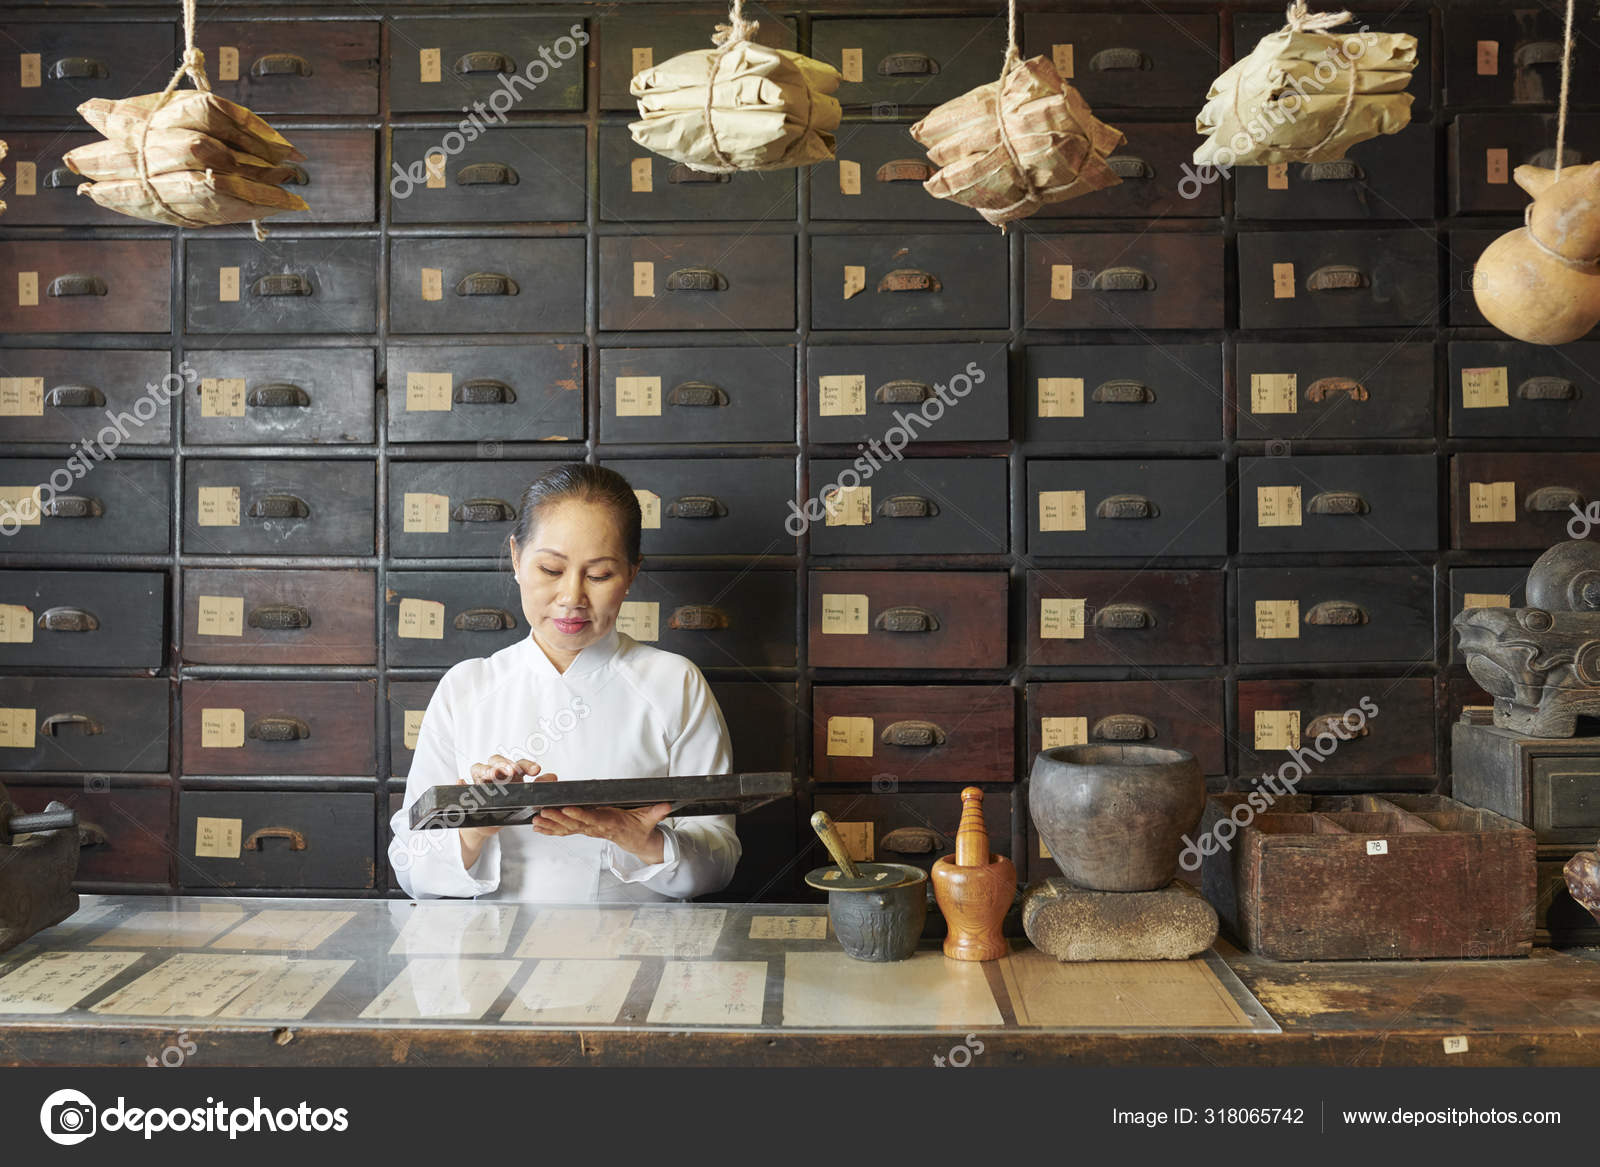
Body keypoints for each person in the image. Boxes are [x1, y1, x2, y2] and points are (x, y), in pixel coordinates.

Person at [387, 463, 740, 901]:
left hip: (639, 955)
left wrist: (635, 837)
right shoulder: (466, 687)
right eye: (552, 570)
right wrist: (475, 825)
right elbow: (408, 866)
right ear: (517, 558)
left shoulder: (675, 683)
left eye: (599, 575)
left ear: (631, 573)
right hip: (491, 957)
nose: (572, 597)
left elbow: (719, 862)